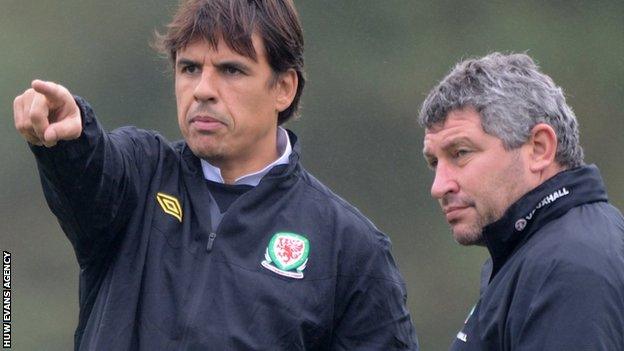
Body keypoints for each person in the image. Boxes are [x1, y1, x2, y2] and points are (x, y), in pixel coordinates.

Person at [13, 0, 419, 350]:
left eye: (231, 70)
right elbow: (91, 169)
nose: (203, 89)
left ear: (284, 88)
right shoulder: (140, 176)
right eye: (189, 68)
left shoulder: (350, 249)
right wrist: (70, 138)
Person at [419, 52, 624, 350]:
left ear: (539, 149)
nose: (439, 187)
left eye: (460, 153)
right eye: (434, 163)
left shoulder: (571, 267)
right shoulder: (535, 253)